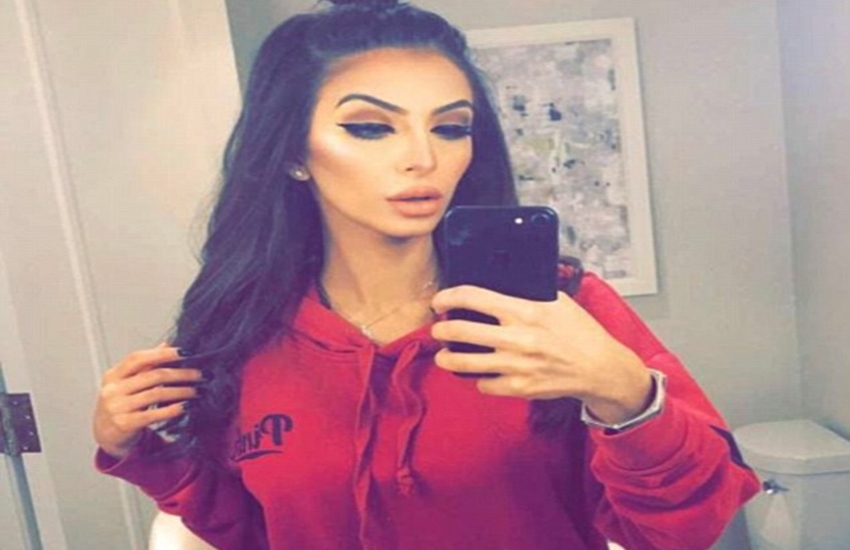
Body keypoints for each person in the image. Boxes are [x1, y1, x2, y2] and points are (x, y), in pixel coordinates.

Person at [92, 1, 759, 549]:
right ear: (293, 152)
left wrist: (628, 396)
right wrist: (136, 448)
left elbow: (682, 531)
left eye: (450, 128)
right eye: (370, 127)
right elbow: (250, 533)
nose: (423, 157)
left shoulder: (560, 309)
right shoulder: (245, 329)